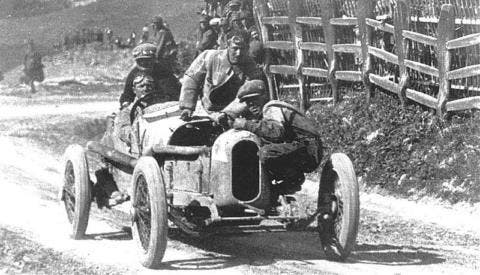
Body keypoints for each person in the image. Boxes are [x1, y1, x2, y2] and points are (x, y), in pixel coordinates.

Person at [230, 79, 323, 194]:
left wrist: (245, 124)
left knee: (265, 154)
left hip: (309, 149)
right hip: (305, 147)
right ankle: (277, 189)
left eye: (254, 99)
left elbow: (276, 133)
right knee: (259, 153)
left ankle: (292, 180)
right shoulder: (268, 111)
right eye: (248, 102)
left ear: (264, 96)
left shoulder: (271, 107)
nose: (251, 105)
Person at [179, 29, 263, 121]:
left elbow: (249, 95)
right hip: (208, 108)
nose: (238, 53)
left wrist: (228, 114)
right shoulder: (209, 57)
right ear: (227, 45)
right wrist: (187, 107)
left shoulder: (251, 66)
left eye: (242, 49)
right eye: (235, 48)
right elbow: (192, 78)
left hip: (235, 111)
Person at [119, 43, 180, 108]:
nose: (144, 63)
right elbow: (127, 95)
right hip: (143, 106)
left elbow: (175, 93)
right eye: (141, 60)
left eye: (148, 60)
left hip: (164, 105)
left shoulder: (164, 72)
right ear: (136, 61)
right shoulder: (133, 74)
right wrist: (125, 103)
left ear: (154, 59)